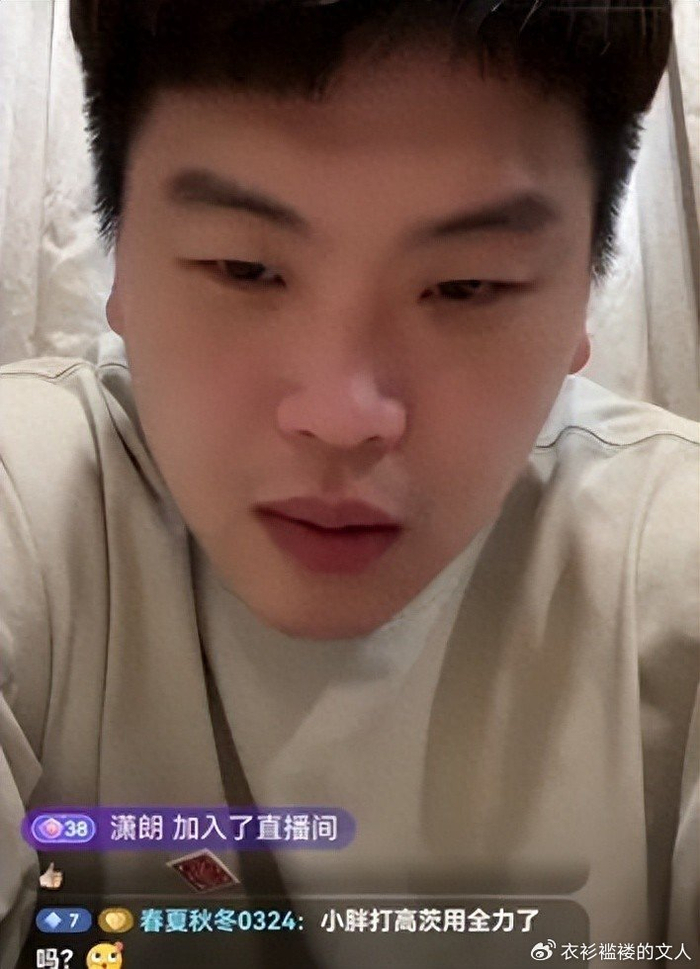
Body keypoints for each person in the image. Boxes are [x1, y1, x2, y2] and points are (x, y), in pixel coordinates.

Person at [0, 1, 697, 967]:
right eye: (244, 267)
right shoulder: (31, 504)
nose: (341, 413)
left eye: (468, 284)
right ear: (120, 266)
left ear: (584, 295)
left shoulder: (669, 563)